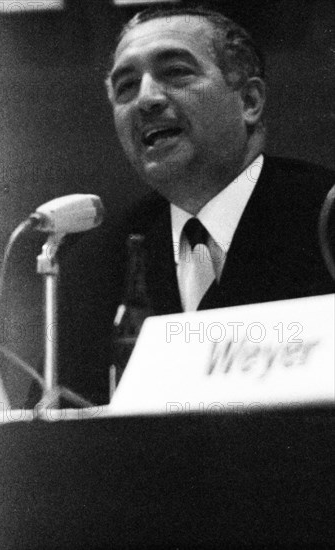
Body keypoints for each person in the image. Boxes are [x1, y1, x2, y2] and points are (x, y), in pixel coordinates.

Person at [30, 5, 334, 407]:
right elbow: (49, 445)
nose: (146, 99)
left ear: (250, 100)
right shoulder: (95, 266)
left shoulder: (325, 218)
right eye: (126, 87)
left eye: (175, 72)